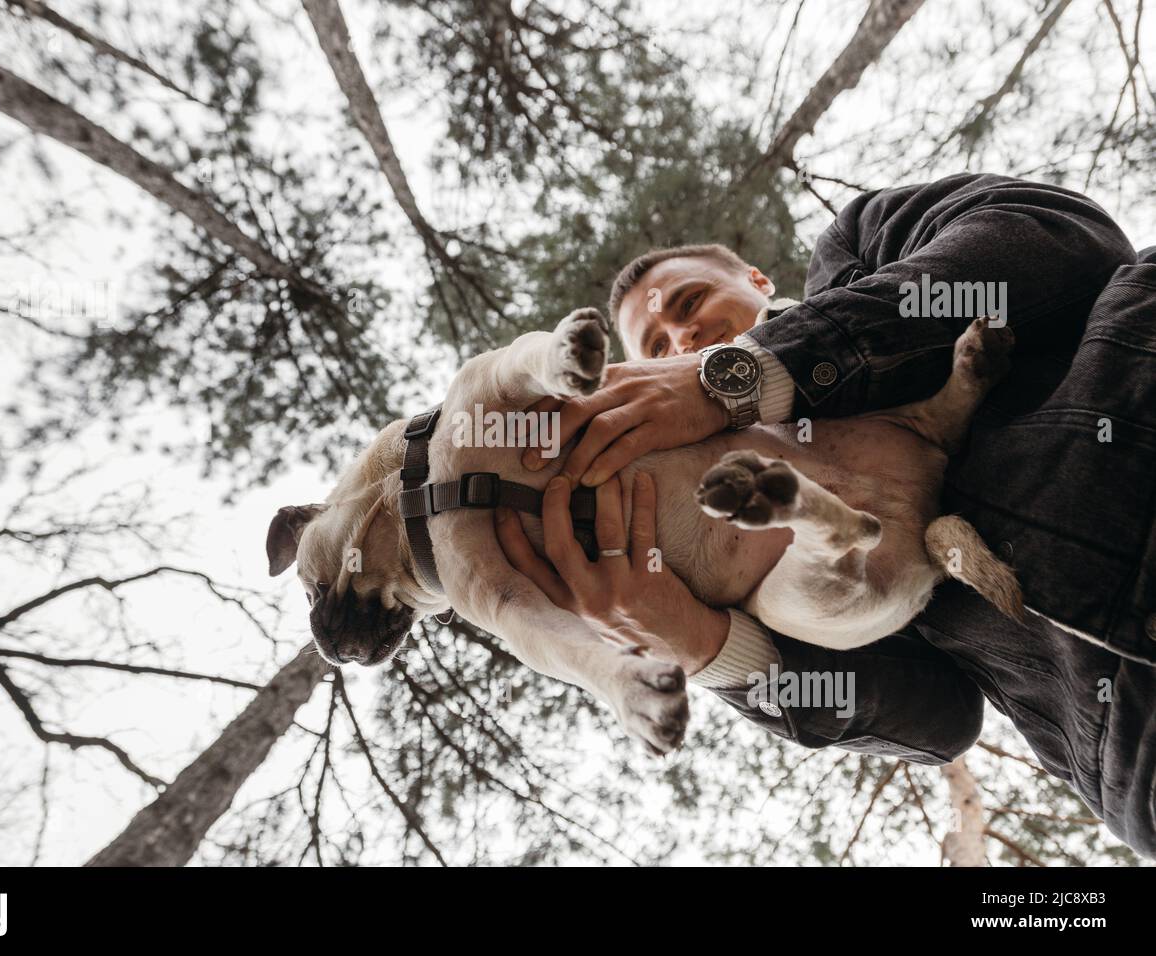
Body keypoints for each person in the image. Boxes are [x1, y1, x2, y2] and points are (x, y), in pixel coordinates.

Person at [494, 172, 1156, 857]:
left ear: (755, 279)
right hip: (1135, 740)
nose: (681, 333)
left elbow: (1065, 240)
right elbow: (939, 721)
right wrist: (710, 650)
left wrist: (747, 373)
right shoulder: (729, 564)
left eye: (690, 301)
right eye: (658, 348)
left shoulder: (857, 252)